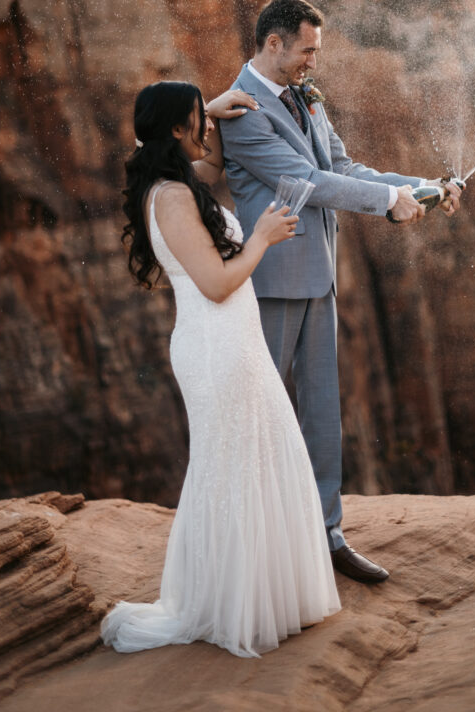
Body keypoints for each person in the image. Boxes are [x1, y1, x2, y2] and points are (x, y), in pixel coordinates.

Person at [220, 0, 462, 584]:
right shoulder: (241, 111)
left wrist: (423, 187)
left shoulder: (304, 97)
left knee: (323, 413)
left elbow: (344, 167)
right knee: (260, 414)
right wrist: (389, 205)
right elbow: (304, 181)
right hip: (272, 282)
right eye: (306, 51)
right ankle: (248, 541)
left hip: (318, 278)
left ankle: (327, 536)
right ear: (273, 43)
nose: (312, 63)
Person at [101, 81, 340, 658]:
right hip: (216, 347)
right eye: (195, 121)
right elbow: (216, 283)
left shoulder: (176, 180)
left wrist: (203, 112)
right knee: (232, 465)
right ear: (177, 130)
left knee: (257, 456)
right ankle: (230, 604)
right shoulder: (172, 198)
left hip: (235, 343)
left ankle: (262, 595)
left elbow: (208, 163)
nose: (206, 131)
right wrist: (259, 238)